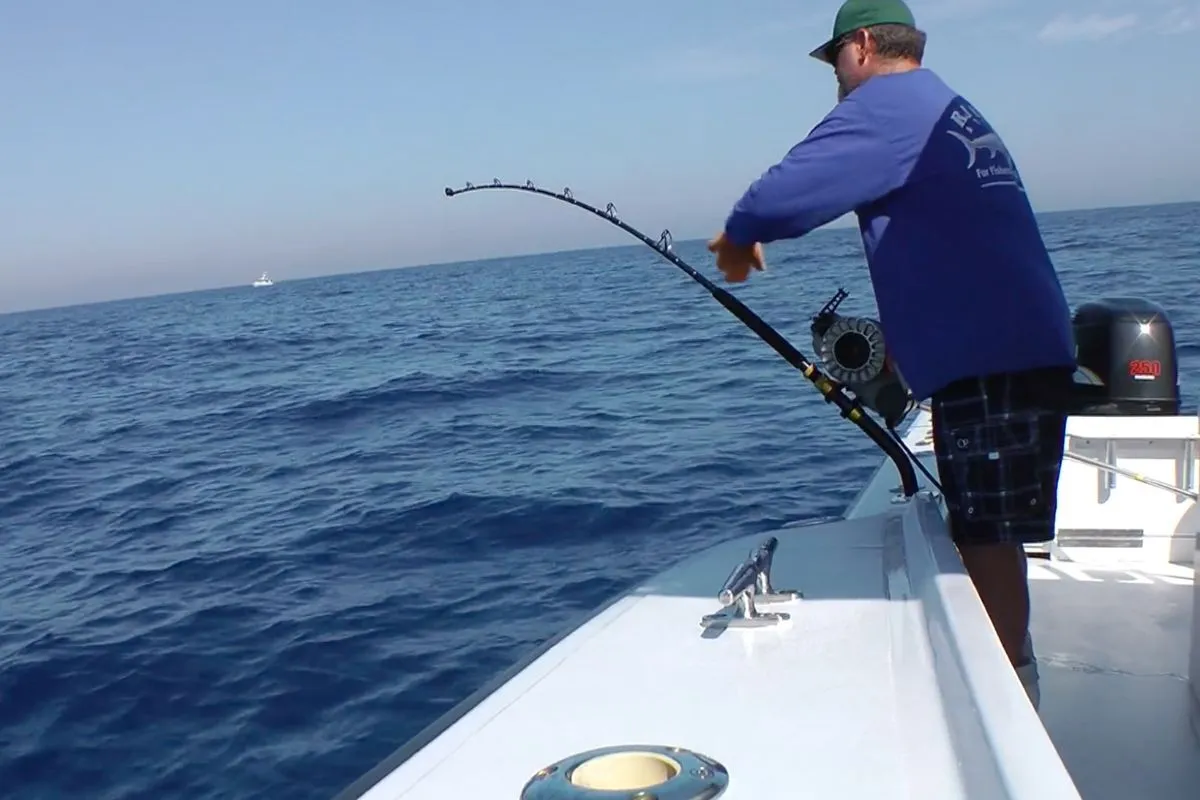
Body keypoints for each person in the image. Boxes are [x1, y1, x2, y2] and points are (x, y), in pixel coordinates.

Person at [707, 0, 1077, 709]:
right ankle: (1010, 677)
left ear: (865, 46)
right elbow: (954, 240)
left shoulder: (889, 104)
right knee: (988, 524)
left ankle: (1009, 701)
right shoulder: (949, 107)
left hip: (993, 356)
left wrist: (742, 229)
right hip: (1015, 345)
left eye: (837, 61)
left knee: (988, 532)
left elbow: (789, 192)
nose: (837, 80)